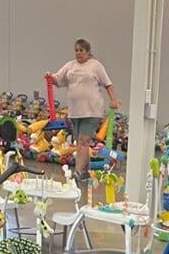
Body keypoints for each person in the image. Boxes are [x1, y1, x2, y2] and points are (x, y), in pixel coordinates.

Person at [48, 39, 120, 185]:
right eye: (76, 50)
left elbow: (108, 84)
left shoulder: (95, 65)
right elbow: (58, 80)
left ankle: (78, 172)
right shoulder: (70, 66)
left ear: (88, 52)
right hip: (75, 111)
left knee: (83, 141)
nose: (78, 53)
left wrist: (113, 99)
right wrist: (50, 77)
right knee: (80, 143)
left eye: (81, 50)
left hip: (92, 110)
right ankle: (85, 172)